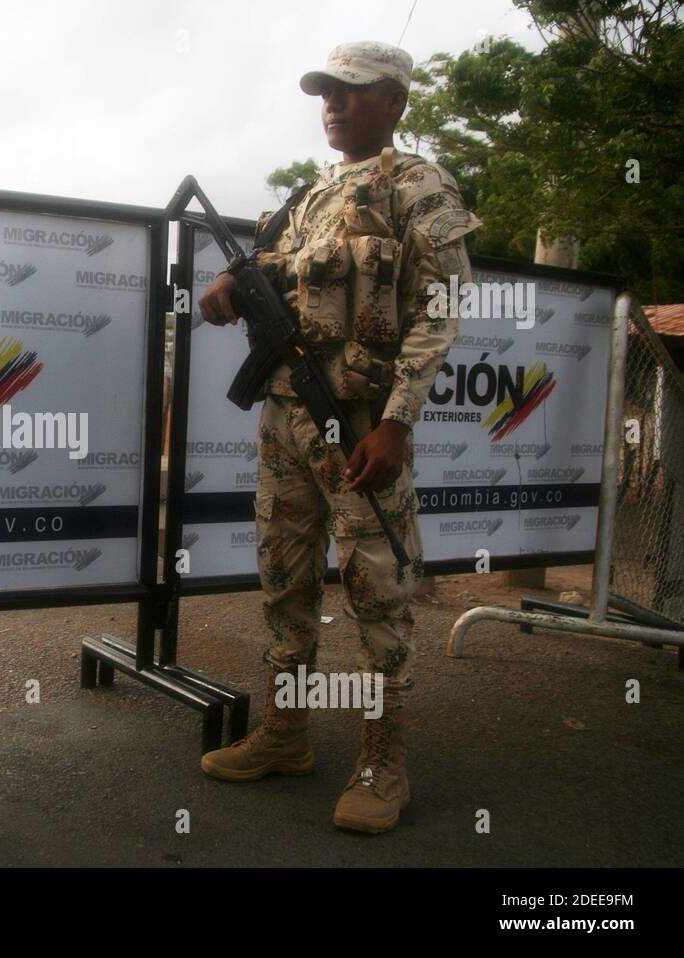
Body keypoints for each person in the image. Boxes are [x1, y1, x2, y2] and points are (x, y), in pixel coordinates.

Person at [196, 41, 481, 833]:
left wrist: (397, 420)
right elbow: (273, 268)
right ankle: (287, 735)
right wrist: (229, 283)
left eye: (352, 93)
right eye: (326, 92)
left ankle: (383, 765)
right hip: (285, 418)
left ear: (394, 101)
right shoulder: (307, 199)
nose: (333, 104)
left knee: (376, 592)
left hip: (358, 424)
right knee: (284, 582)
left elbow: (443, 305)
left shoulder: (417, 185)